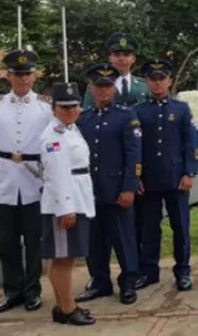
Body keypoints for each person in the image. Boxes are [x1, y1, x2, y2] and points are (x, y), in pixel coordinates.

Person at [0, 50, 53, 314]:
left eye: (28, 73)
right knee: (5, 242)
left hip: (34, 179)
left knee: (34, 241)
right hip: (4, 179)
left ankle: (32, 291)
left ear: (35, 75)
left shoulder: (46, 106)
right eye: (18, 74)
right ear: (8, 76)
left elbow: (53, 145)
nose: (23, 78)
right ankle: (13, 291)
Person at [75, 63, 143, 305]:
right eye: (98, 86)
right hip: (90, 192)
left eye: (107, 86)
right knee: (94, 241)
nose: (103, 91)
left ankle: (127, 284)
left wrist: (129, 187)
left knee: (123, 239)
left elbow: (134, 156)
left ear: (113, 89)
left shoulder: (126, 116)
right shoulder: (84, 119)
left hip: (117, 191)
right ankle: (100, 282)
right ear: (91, 89)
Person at [135, 59, 198, 291]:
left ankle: (183, 271)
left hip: (176, 178)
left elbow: (190, 142)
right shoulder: (138, 111)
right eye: (153, 79)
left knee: (180, 227)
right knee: (149, 229)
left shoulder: (181, 109)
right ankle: (149, 271)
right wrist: (136, 178)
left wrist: (189, 172)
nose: (158, 83)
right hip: (149, 180)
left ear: (169, 81)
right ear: (147, 83)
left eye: (162, 79)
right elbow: (135, 148)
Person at [39, 82, 97, 326]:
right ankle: (67, 308)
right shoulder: (54, 135)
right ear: (54, 109)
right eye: (64, 107)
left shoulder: (71, 129)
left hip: (78, 197)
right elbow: (56, 173)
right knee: (62, 259)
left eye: (74, 106)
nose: (71, 110)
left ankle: (64, 304)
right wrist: (66, 208)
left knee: (67, 257)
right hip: (64, 203)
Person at [83, 32, 150, 110]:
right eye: (117, 54)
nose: (121, 58)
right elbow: (87, 114)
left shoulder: (145, 86)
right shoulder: (95, 86)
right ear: (110, 58)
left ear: (133, 59)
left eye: (126, 54)